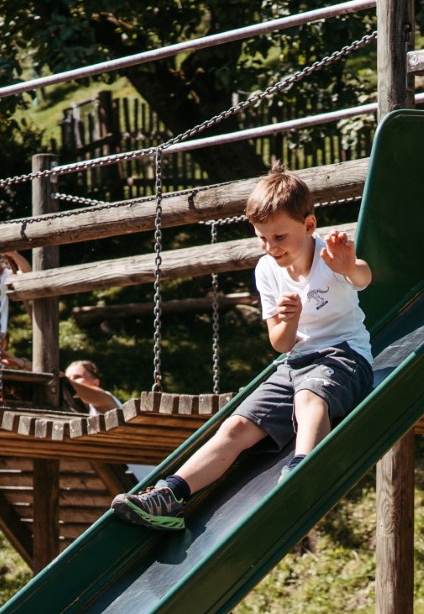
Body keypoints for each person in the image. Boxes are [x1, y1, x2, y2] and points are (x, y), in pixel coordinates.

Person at [113, 165, 373, 531]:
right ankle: (169, 495)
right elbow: (280, 343)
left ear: (309, 226)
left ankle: (303, 468)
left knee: (310, 396)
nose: (271, 247)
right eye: (262, 238)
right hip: (296, 361)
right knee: (235, 426)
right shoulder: (267, 270)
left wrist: (349, 266)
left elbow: (363, 276)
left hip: (345, 355)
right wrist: (291, 322)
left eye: (279, 236)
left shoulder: (331, 254)